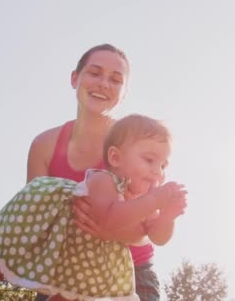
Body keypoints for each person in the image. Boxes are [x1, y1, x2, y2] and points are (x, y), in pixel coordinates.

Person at [0, 114, 187, 300]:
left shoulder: (146, 198)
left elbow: (158, 236)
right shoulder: (104, 180)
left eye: (164, 165)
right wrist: (154, 202)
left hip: (85, 268)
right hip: (51, 237)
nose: (158, 170)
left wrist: (168, 216)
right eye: (149, 160)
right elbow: (108, 218)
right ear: (115, 158)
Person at [27, 44, 167, 300]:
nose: (104, 83)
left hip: (131, 275)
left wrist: (108, 229)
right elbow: (36, 219)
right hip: (63, 276)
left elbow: (148, 227)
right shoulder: (44, 145)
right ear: (74, 78)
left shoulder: (137, 146)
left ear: (123, 93)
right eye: (94, 73)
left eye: (115, 79)